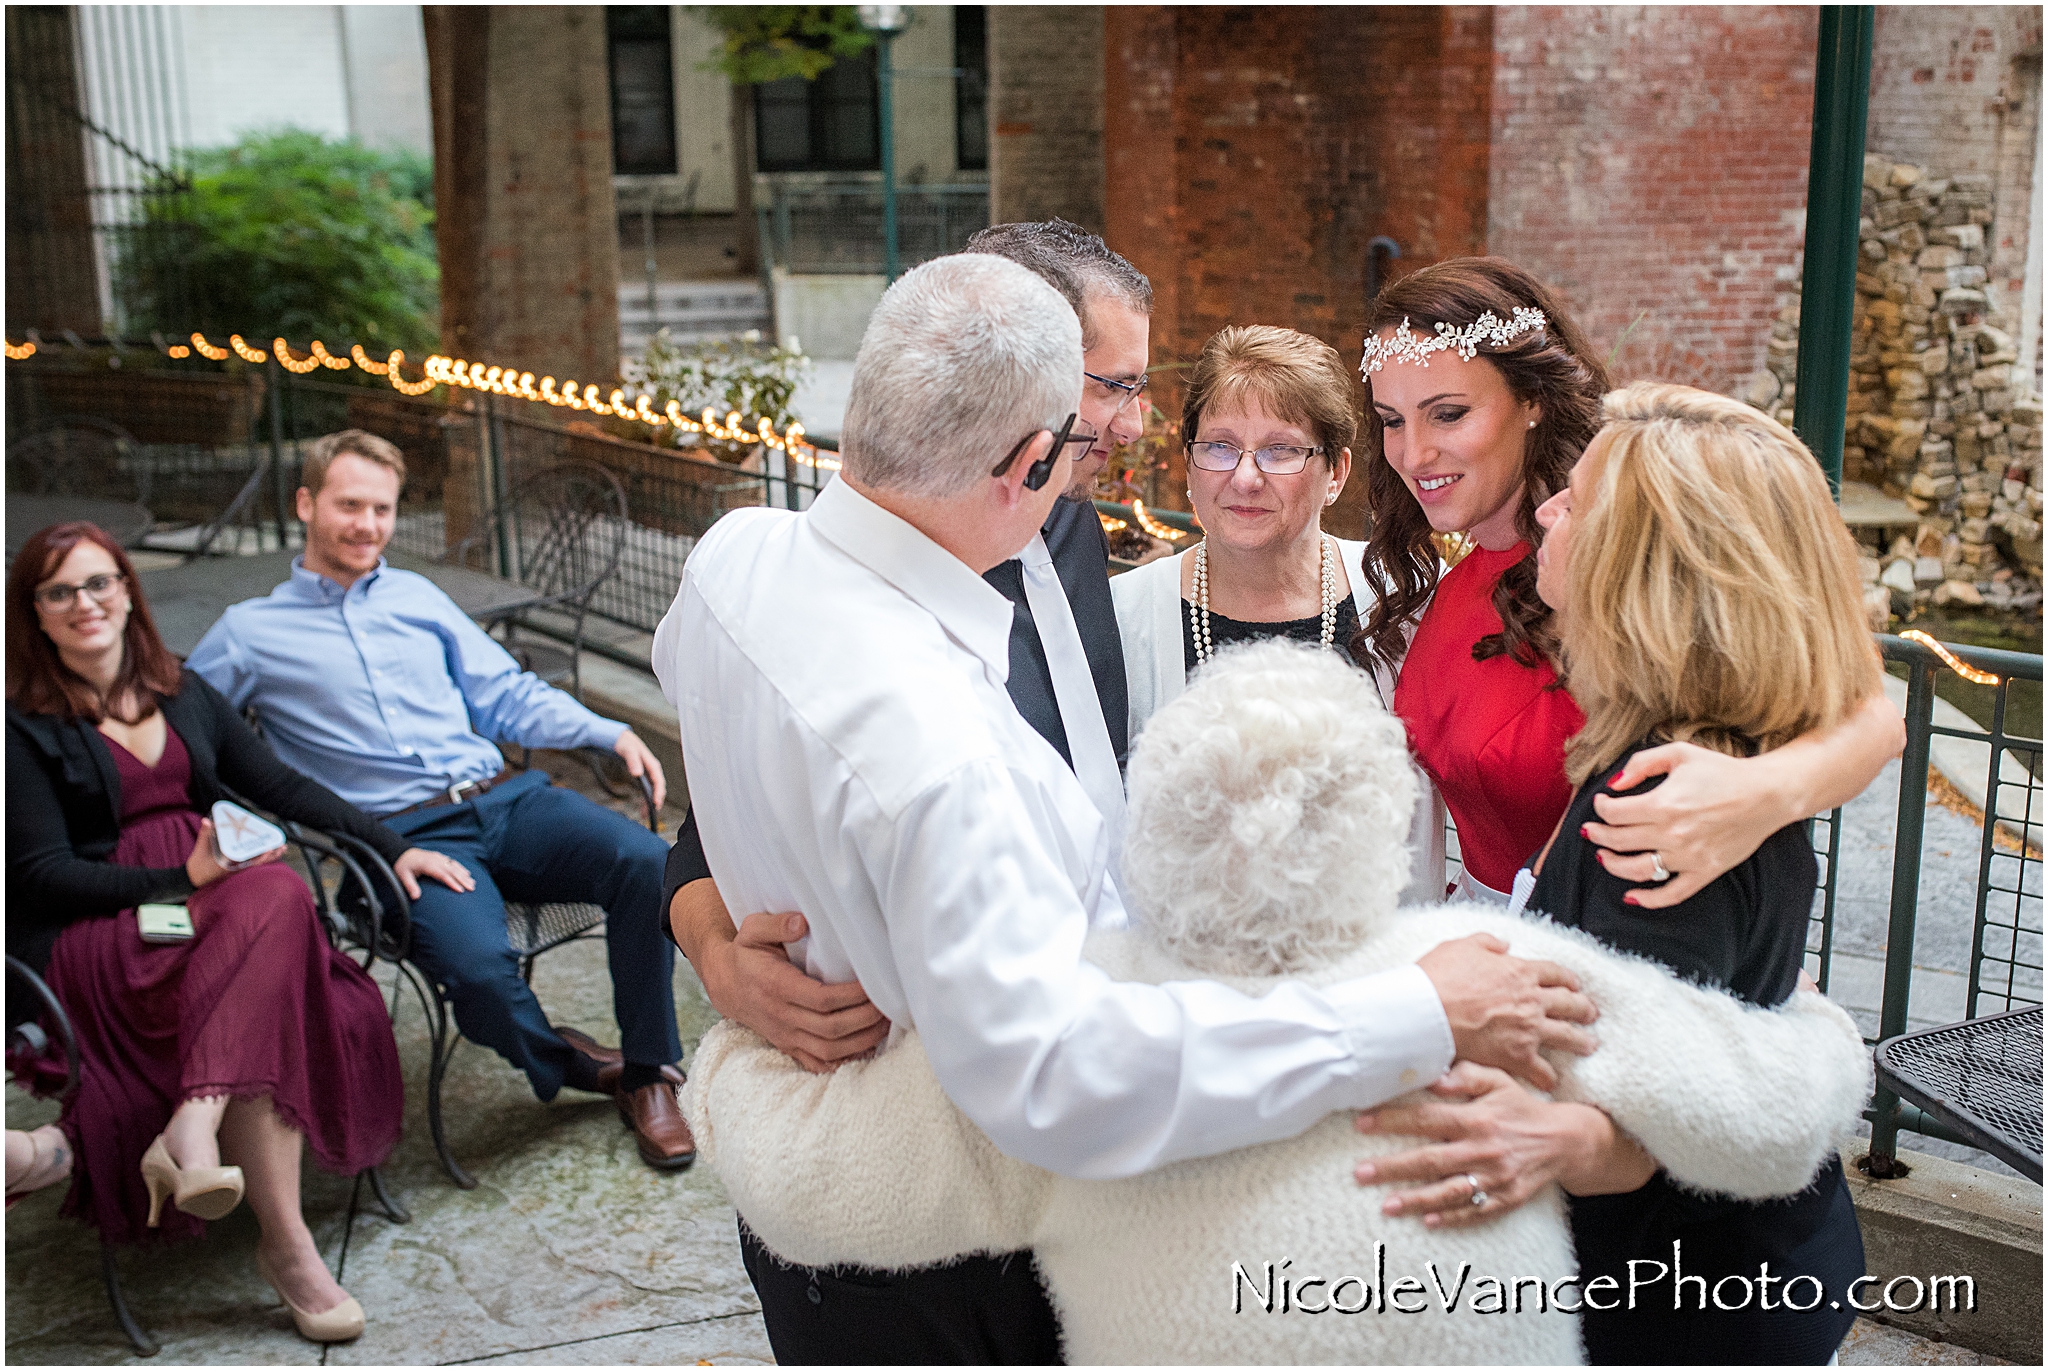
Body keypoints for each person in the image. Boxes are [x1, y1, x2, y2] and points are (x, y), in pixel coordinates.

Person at [653, 252, 1603, 1364]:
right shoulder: (947, 764)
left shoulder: (732, 559)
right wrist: (1409, 1015)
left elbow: (744, 748)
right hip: (948, 1228)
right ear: (1024, 456)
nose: (1123, 430)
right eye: (1100, 398)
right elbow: (1056, 1076)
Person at [679, 638, 1875, 1364]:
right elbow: (1773, 1113)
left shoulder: (1063, 1028)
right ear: (1383, 822)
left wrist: (727, 1055)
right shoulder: (1486, 974)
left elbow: (806, 1186)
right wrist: (1810, 1026)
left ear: (1149, 818)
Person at [1364, 383, 1880, 1363]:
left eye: (1579, 502)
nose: (1550, 507)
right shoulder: (1720, 753)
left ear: (1641, 559)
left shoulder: (1654, 808)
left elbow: (1649, 1116)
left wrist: (1561, 1140)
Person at [661, 219, 1157, 1076]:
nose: (1137, 424)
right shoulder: (860, 577)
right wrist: (717, 961)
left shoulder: (1072, 525)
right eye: (1114, 386)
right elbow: (726, 804)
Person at [184, 431, 693, 1170]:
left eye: (381, 509)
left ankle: (649, 1073)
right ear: (306, 504)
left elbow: (503, 695)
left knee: (649, 861)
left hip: (504, 799)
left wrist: (607, 731)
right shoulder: (250, 634)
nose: (367, 525)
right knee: (483, 974)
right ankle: (576, 1065)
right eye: (349, 504)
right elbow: (192, 740)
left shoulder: (417, 596)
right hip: (404, 841)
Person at [5, 521, 443, 1341]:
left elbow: (277, 781)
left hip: (222, 919)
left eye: (98, 582)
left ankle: (186, 1126)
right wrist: (184, 878)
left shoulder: (182, 688)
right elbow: (38, 875)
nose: (83, 603)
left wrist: (394, 844)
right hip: (106, 935)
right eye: (58, 591)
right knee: (271, 905)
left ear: (128, 588)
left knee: (271, 896)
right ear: (33, 612)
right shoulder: (18, 727)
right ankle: (285, 1243)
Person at [1354, 257, 1903, 904]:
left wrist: (1764, 794)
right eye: (1392, 420)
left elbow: (1871, 713)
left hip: (1612, 939)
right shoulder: (1453, 581)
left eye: (1447, 414)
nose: (1413, 454)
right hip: (1473, 940)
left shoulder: (1625, 560)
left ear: (1532, 399)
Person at [1109, 324, 1444, 902]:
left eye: (1280, 450)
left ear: (1336, 472)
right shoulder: (1125, 618)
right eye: (1218, 446)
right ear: (1188, 465)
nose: (1244, 477)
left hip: (1378, 956)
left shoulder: (1408, 599)